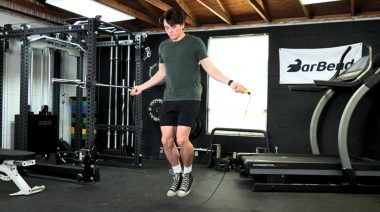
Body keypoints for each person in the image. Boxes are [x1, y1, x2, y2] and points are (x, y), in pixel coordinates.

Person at [130, 7, 248, 197]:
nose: (170, 31)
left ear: (183, 24)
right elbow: (161, 74)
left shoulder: (195, 43)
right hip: (170, 98)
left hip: (190, 97)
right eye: (166, 28)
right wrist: (142, 87)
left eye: (173, 27)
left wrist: (231, 82)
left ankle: (188, 174)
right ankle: (177, 175)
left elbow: (210, 68)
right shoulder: (164, 47)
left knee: (181, 139)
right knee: (166, 141)